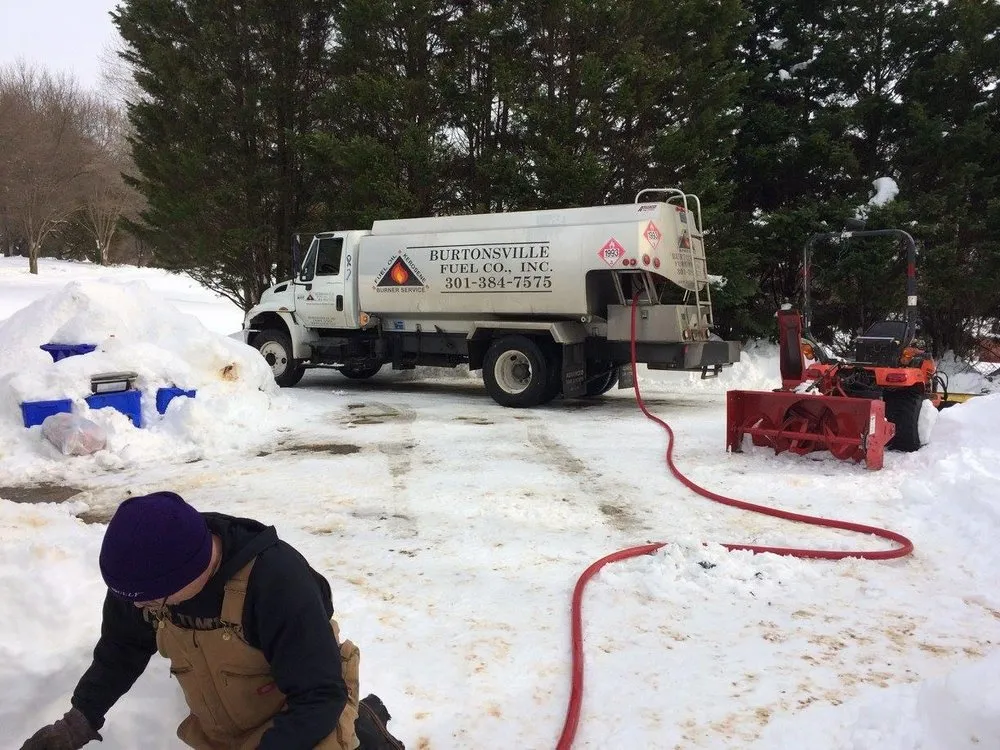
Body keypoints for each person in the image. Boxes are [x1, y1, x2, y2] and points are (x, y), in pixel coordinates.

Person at [20, 491, 404, 750]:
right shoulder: (144, 580)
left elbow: (319, 696)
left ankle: (362, 726)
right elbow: (120, 650)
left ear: (193, 572)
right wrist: (78, 721)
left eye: (151, 602)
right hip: (224, 721)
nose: (141, 610)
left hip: (305, 713)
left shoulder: (276, 582)